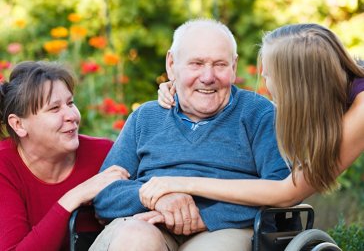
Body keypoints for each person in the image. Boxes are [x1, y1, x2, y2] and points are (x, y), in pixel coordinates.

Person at [90, 18, 290, 251]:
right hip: (148, 222)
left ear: (234, 67)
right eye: (196, 63)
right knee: (135, 238)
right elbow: (105, 194)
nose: (208, 76)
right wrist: (157, 199)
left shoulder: (258, 113)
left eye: (220, 65)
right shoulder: (145, 117)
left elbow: (281, 189)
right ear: (171, 64)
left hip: (225, 229)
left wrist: (205, 217)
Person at [142, 23, 364, 210]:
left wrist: (182, 183)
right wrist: (183, 87)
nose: (266, 85)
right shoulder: (342, 87)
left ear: (296, 85)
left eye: (268, 76)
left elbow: (288, 192)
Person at [0, 61, 128, 251]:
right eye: (54, 108)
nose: (72, 116)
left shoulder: (104, 153)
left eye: (70, 103)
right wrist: (74, 197)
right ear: (18, 125)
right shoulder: (5, 167)